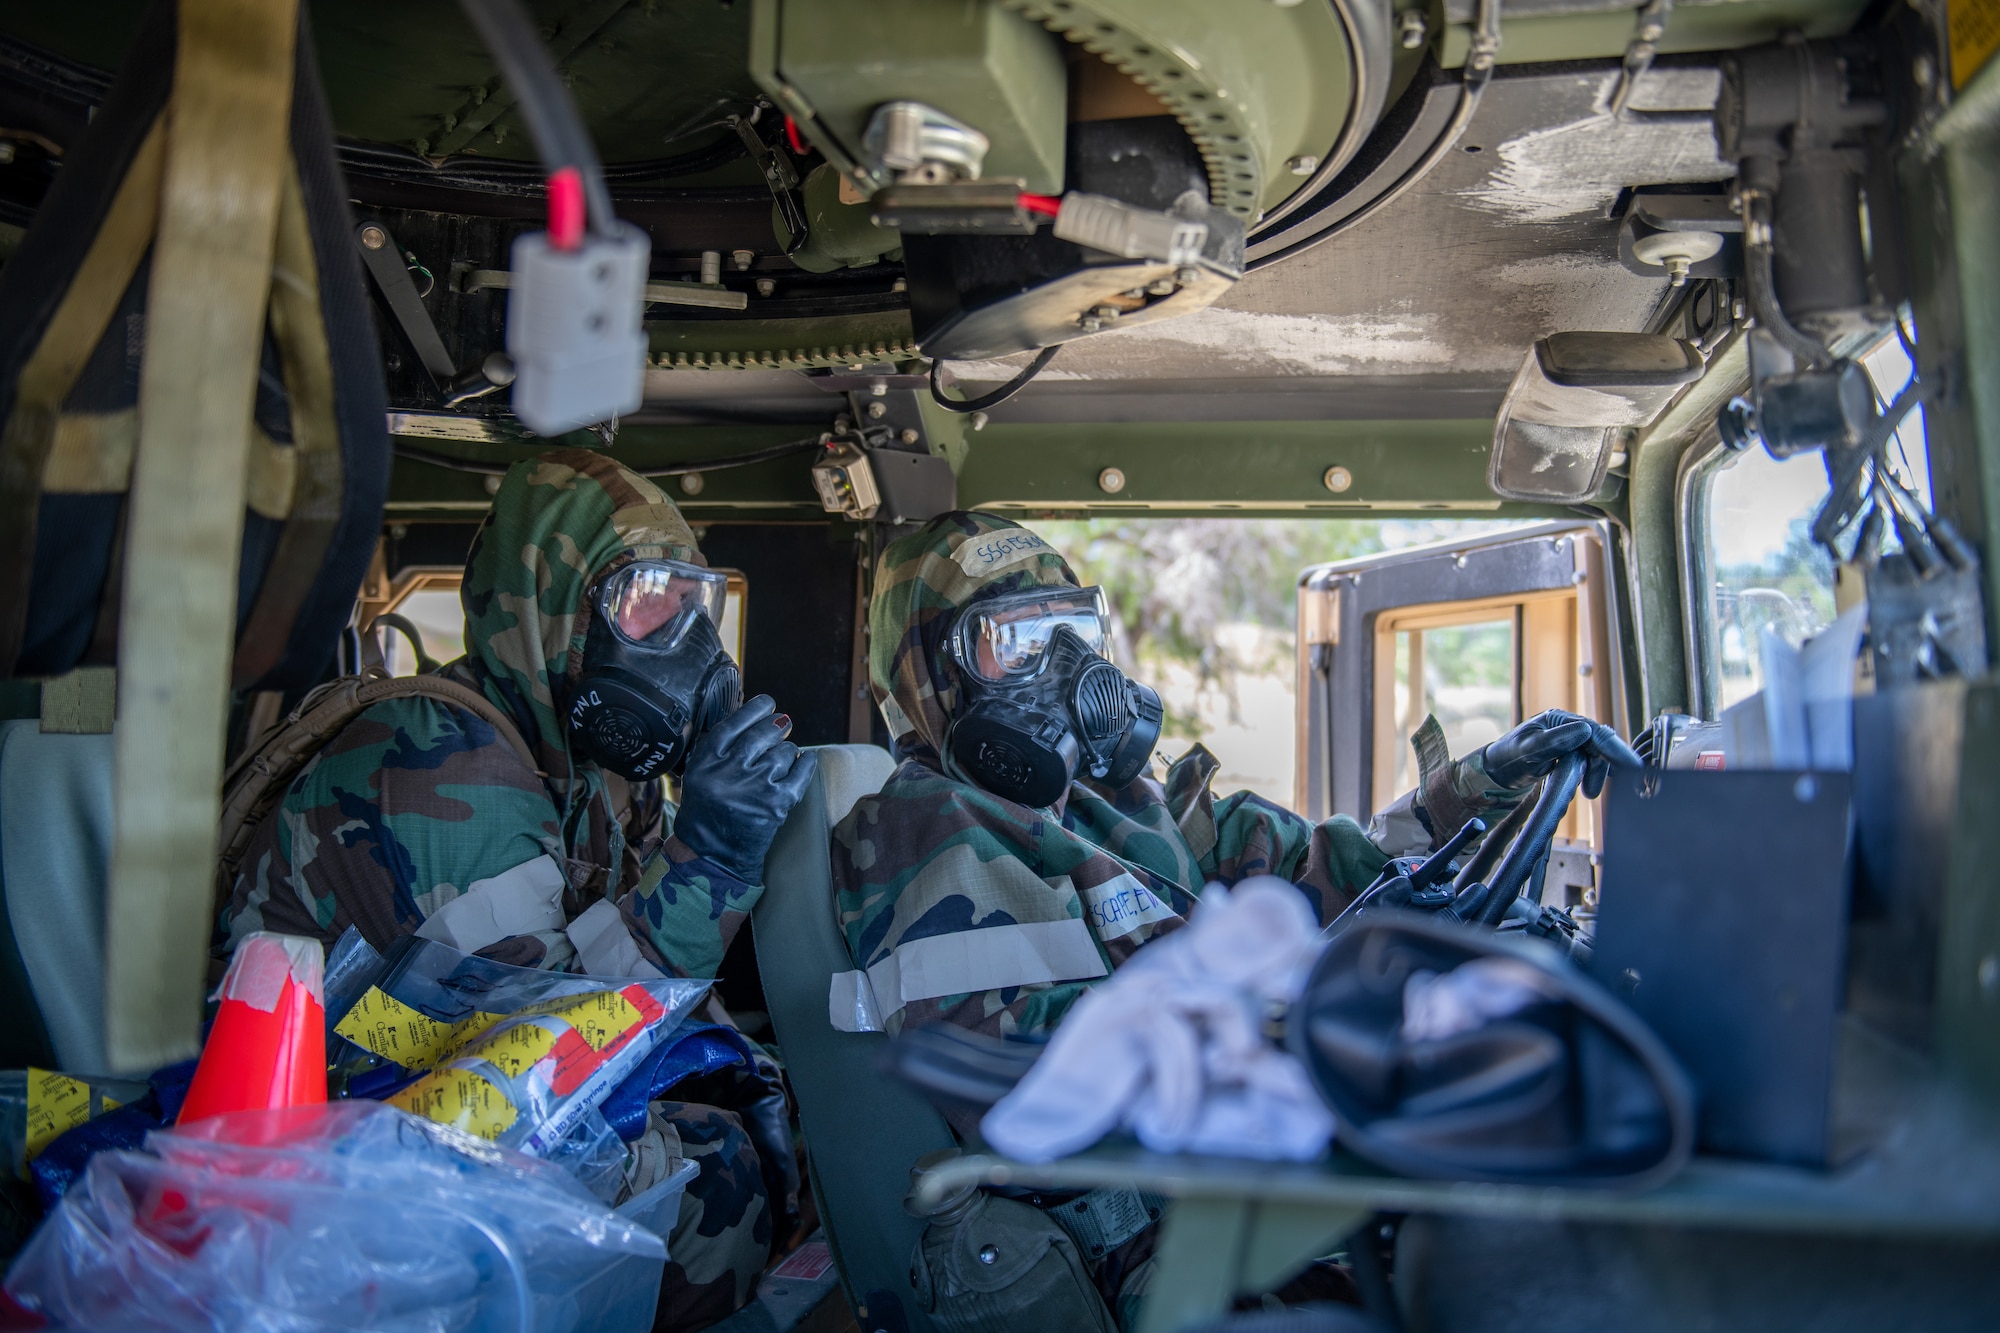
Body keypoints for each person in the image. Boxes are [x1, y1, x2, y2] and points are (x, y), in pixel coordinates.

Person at [218, 448, 815, 1330]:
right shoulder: (433, 762)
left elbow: (636, 990)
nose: (685, 642)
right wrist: (711, 862)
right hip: (329, 1132)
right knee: (707, 1177)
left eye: (694, 603)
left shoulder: (597, 770)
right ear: (551, 614)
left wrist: (750, 1078)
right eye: (647, 601)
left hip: (451, 1093)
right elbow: (545, 1043)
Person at [832, 511, 1637, 1045]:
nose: (1069, 669)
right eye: (1016, 643)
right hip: (1148, 1213)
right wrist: (1307, 1010)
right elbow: (1010, 1053)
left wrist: (1481, 784)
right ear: (926, 679)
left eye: (1072, 628)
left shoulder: (1120, 800)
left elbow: (1323, 875)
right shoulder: (928, 825)